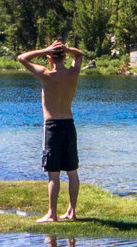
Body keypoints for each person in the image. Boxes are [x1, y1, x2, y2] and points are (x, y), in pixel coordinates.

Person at [15, 38, 85, 221]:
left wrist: (45, 49)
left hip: (53, 126)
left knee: (53, 174)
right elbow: (80, 55)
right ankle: (72, 212)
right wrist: (67, 48)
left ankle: (52, 213)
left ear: (49, 59)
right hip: (69, 124)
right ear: (63, 57)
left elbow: (22, 58)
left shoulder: (46, 74)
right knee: (72, 171)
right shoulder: (73, 73)